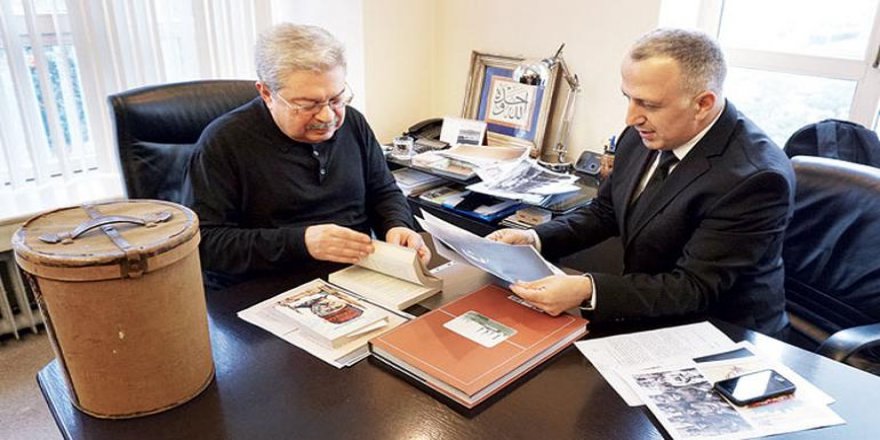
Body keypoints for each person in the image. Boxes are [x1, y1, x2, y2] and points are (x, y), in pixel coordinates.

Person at [488, 28, 794, 336]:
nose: (630, 118)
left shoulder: (756, 178)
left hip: (724, 332)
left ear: (702, 104)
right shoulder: (641, 135)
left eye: (649, 104)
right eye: (628, 98)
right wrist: (535, 238)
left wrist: (587, 288)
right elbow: (605, 211)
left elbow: (694, 287)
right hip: (650, 307)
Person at [185, 23, 428, 287]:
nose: (327, 116)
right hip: (263, 289)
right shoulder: (224, 141)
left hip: (356, 277)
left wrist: (397, 226)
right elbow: (205, 244)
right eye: (308, 105)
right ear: (266, 93)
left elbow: (383, 191)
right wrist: (301, 243)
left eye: (336, 99)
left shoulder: (353, 123)